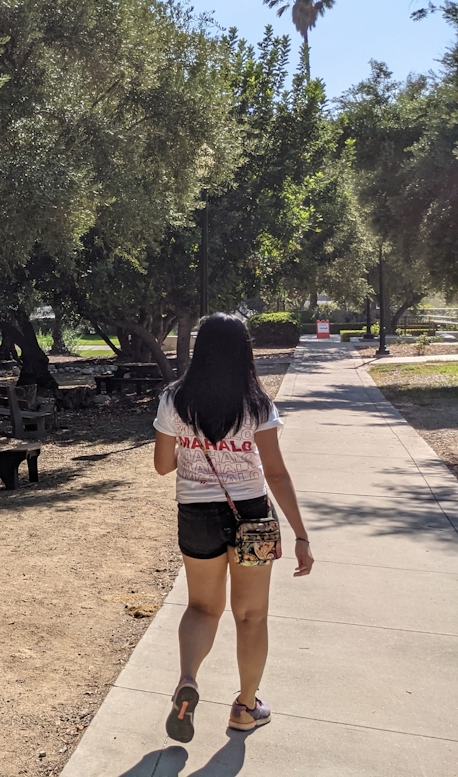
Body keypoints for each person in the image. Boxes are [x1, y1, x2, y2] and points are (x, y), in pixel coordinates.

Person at [152, 313, 314, 743]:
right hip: (253, 517)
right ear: (245, 351)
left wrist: (192, 445)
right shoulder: (257, 404)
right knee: (251, 615)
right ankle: (245, 707)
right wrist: (300, 534)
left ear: (200, 347)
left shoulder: (173, 400)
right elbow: (276, 474)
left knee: (202, 608)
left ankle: (188, 679)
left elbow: (162, 467)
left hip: (197, 514)